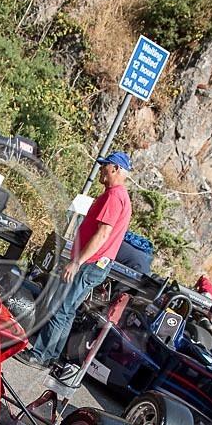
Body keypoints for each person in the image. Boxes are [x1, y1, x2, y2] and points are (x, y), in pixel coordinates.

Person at [16, 150, 133, 368]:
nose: (101, 169)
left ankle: (40, 355)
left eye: (105, 165)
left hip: (89, 263)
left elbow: (102, 234)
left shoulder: (114, 196)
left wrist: (77, 261)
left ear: (116, 169)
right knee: (67, 310)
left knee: (60, 307)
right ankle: (51, 355)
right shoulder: (120, 196)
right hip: (95, 263)